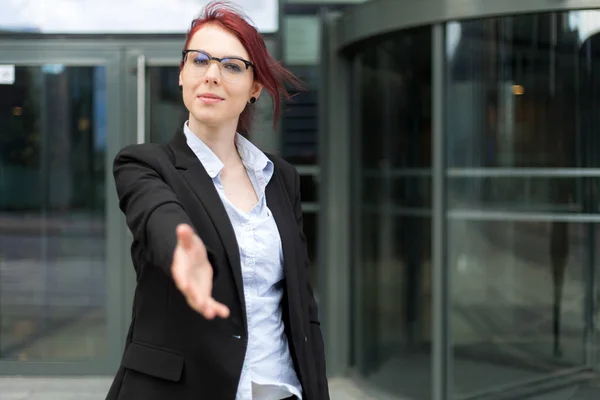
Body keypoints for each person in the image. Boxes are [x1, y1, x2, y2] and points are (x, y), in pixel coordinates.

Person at [105, 2, 328, 399]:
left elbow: (302, 310)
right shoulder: (144, 164)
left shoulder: (280, 179)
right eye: (200, 60)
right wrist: (182, 249)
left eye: (231, 65)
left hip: (279, 390)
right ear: (182, 73)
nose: (211, 75)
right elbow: (157, 214)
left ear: (255, 86)